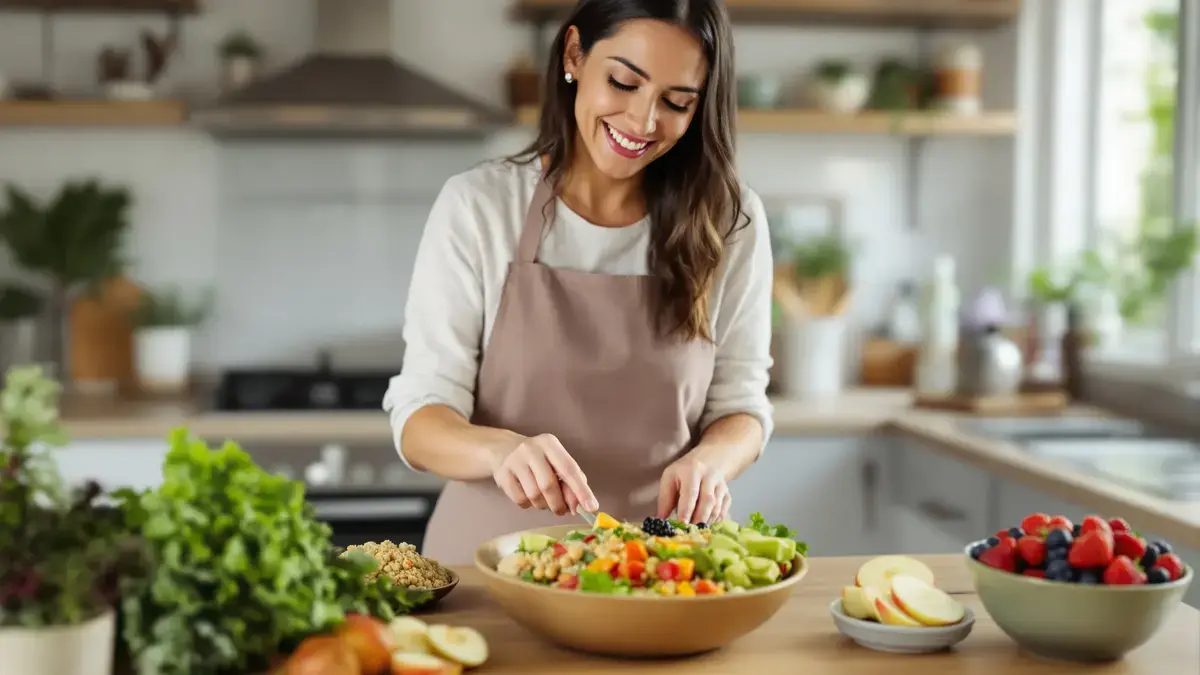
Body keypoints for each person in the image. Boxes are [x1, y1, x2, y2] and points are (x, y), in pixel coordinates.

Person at [384, 0, 774, 563]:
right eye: (623, 82)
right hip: (491, 568)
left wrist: (711, 461)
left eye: (676, 102)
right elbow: (421, 416)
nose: (643, 122)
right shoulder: (482, 207)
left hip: (669, 569)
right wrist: (500, 451)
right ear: (574, 55)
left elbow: (741, 405)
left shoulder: (728, 223)